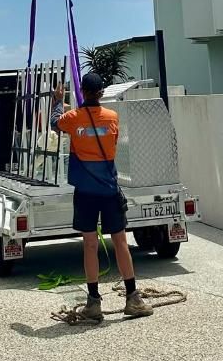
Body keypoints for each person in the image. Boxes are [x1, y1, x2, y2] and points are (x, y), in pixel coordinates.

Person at [51, 71, 153, 321]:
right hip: (108, 189)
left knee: (90, 244)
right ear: (102, 93)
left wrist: (57, 101)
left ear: (82, 92)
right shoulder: (112, 117)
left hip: (85, 192)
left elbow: (55, 122)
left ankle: (93, 303)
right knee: (120, 241)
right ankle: (133, 298)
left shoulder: (73, 118)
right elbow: (112, 140)